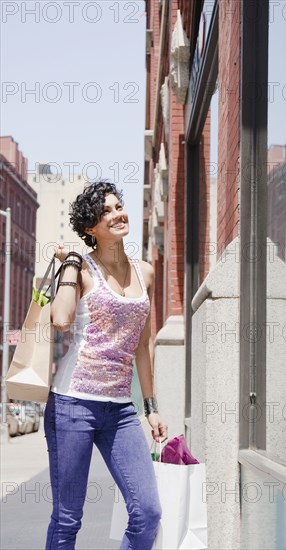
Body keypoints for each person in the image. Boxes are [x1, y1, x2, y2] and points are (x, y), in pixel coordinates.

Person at [46, 181, 167, 549]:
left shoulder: (145, 272)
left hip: (121, 411)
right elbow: (62, 318)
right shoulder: (82, 268)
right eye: (106, 212)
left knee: (148, 512)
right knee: (68, 518)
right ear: (89, 229)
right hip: (72, 405)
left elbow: (144, 346)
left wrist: (151, 407)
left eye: (118, 207)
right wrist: (68, 262)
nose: (117, 215)